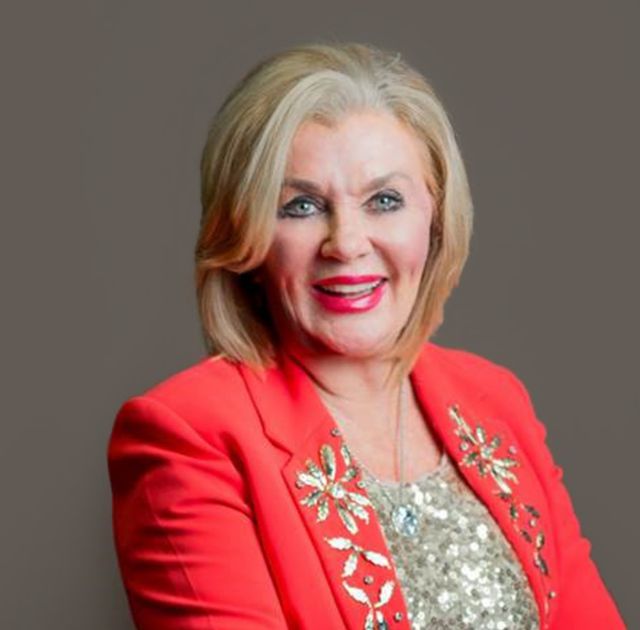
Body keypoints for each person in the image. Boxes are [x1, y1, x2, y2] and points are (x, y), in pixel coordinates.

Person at [106, 42, 625, 629]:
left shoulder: (497, 398)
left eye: (384, 200)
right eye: (301, 206)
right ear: (246, 238)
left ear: (435, 218)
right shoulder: (189, 434)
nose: (347, 244)